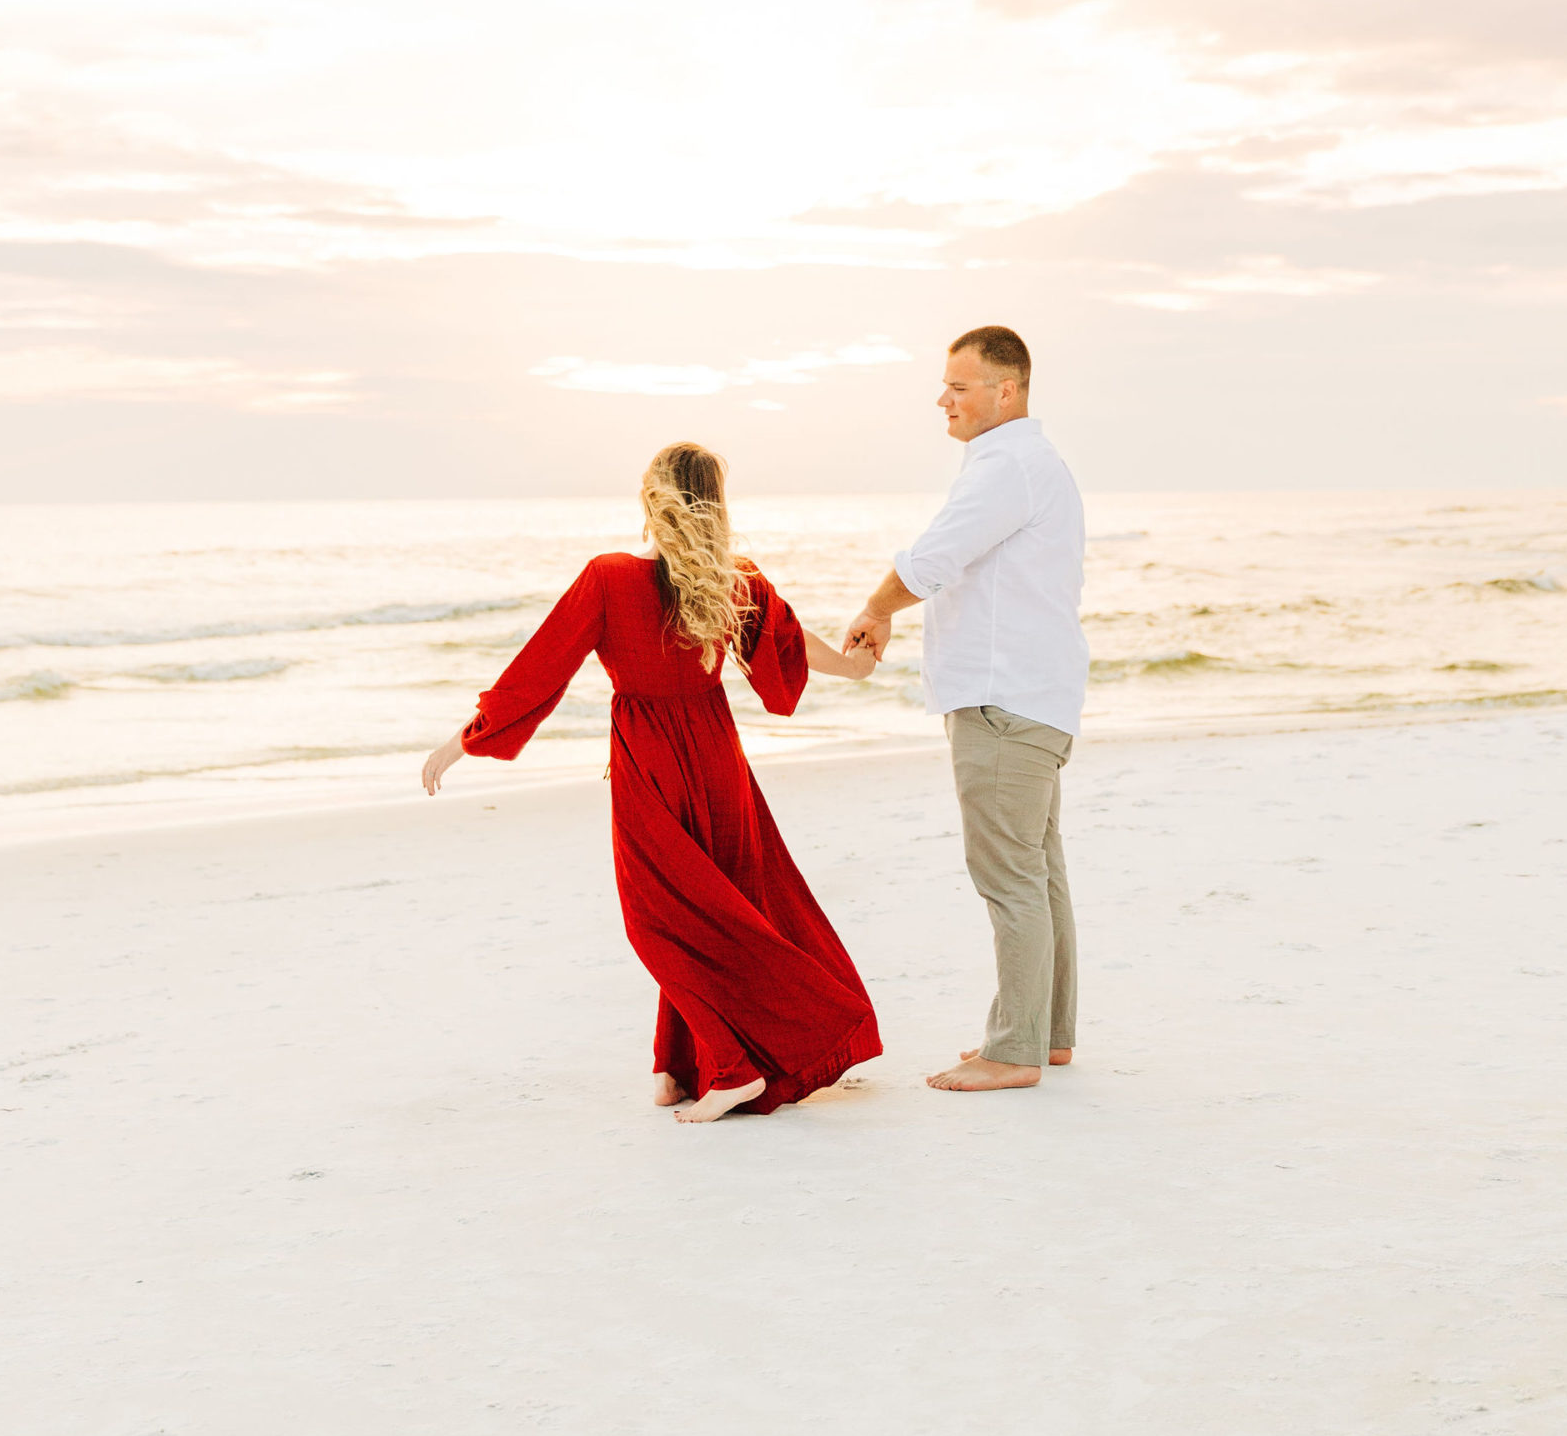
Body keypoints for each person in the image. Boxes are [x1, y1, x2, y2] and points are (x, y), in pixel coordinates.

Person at [423, 442, 883, 1123]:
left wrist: (464, 738)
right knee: (714, 909)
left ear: (651, 497)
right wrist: (854, 669)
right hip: (718, 761)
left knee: (661, 920)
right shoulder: (734, 579)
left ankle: (732, 1070)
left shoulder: (608, 577)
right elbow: (789, 647)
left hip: (651, 763)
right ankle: (680, 1066)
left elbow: (540, 668)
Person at [846, 325, 1087, 1094]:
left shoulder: (1006, 465)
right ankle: (1044, 1035)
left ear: (1005, 391)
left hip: (1002, 698)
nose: (943, 399)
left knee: (1009, 875)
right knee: (1037, 871)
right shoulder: (1027, 463)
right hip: (1034, 694)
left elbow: (931, 561)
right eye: (944, 385)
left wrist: (874, 611)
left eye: (959, 386)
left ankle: (1013, 1050)